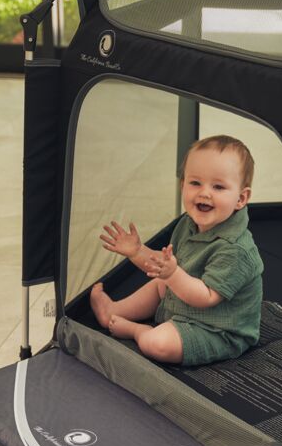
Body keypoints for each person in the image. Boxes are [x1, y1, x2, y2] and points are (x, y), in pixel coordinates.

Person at [89, 135, 264, 366]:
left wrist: (172, 274)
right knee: (161, 282)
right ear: (182, 185)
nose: (204, 193)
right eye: (195, 183)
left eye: (218, 187)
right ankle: (113, 310)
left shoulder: (235, 249)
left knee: (157, 343)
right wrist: (137, 251)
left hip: (217, 330)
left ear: (241, 198)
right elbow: (164, 265)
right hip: (185, 304)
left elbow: (207, 297)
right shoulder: (188, 223)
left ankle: (137, 330)